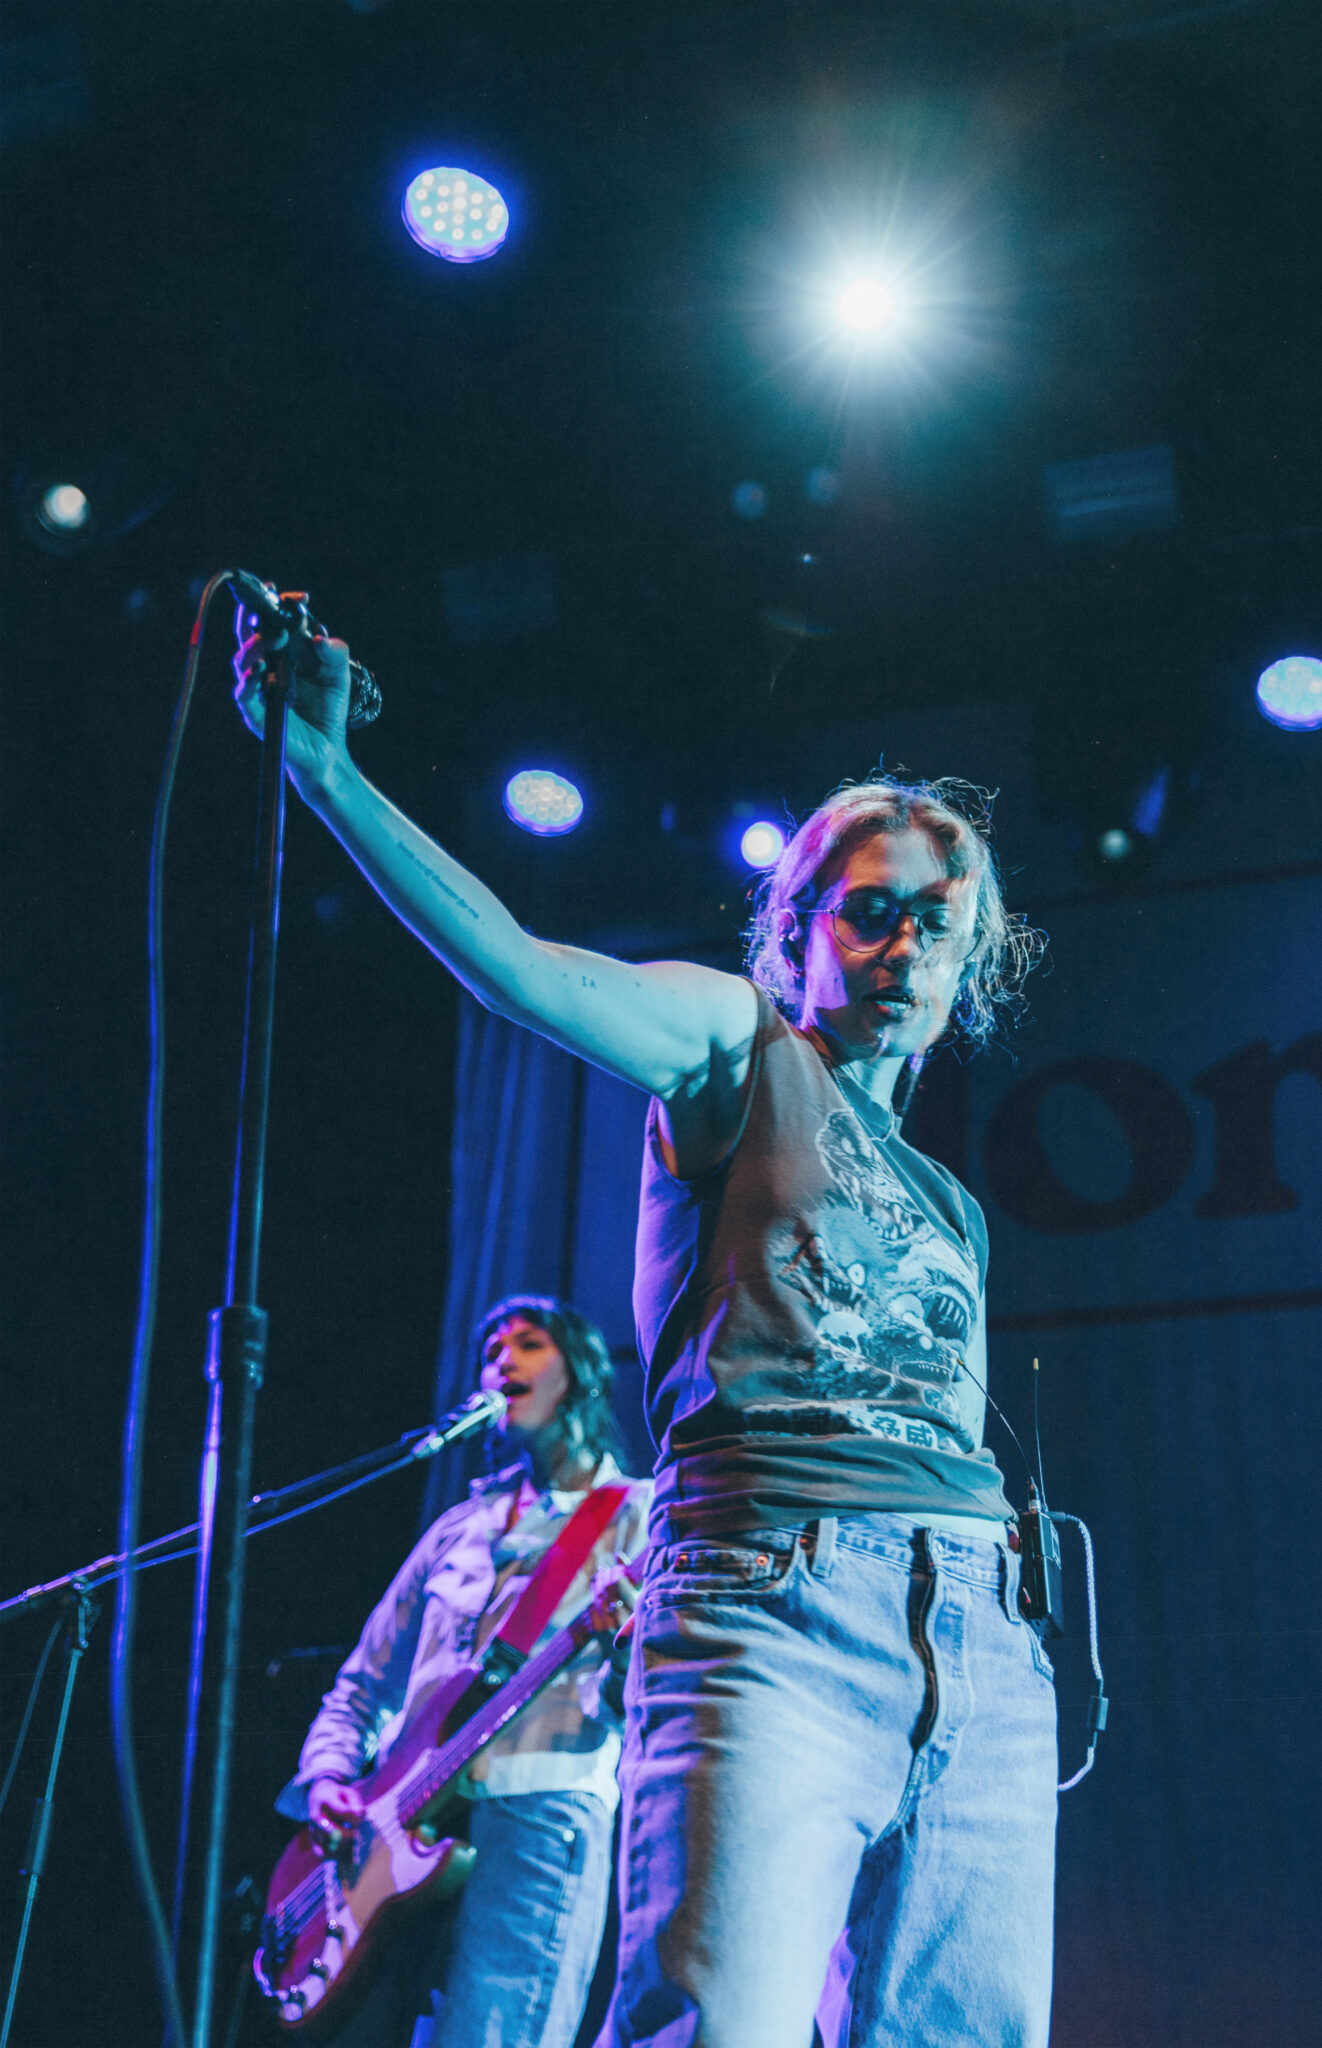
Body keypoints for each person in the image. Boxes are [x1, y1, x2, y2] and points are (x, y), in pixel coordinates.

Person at [236, 629, 1055, 2047]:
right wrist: (323, 769)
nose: (902, 947)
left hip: (977, 1633)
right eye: (868, 912)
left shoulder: (955, 1209)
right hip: (778, 1597)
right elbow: (522, 970)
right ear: (799, 929)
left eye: (937, 922)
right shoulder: (739, 1047)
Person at [274, 1295, 651, 2048]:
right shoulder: (460, 1528)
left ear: (580, 1374)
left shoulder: (638, 1519)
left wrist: (624, 1646)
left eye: (529, 1343)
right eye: (490, 1351)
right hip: (386, 1838)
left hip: (537, 1817)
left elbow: (651, 1703)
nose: (502, 1361)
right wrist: (327, 1779)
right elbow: (362, 1688)